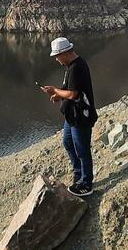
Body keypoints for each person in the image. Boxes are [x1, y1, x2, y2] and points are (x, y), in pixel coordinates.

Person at [39, 36, 96, 196]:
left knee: (82, 149)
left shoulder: (77, 67)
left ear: (65, 53)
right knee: (69, 143)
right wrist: (59, 95)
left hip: (81, 116)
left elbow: (73, 93)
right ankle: (79, 174)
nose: (56, 59)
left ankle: (86, 183)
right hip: (72, 115)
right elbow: (69, 90)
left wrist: (55, 91)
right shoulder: (71, 66)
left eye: (57, 56)